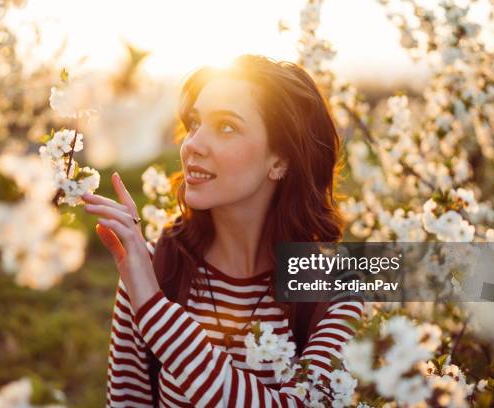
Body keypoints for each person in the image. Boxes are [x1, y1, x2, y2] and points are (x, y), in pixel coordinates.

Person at [83, 54, 363, 407]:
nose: (192, 145)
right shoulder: (152, 269)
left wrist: (154, 311)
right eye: (195, 123)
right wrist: (145, 293)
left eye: (227, 127)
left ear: (280, 160)